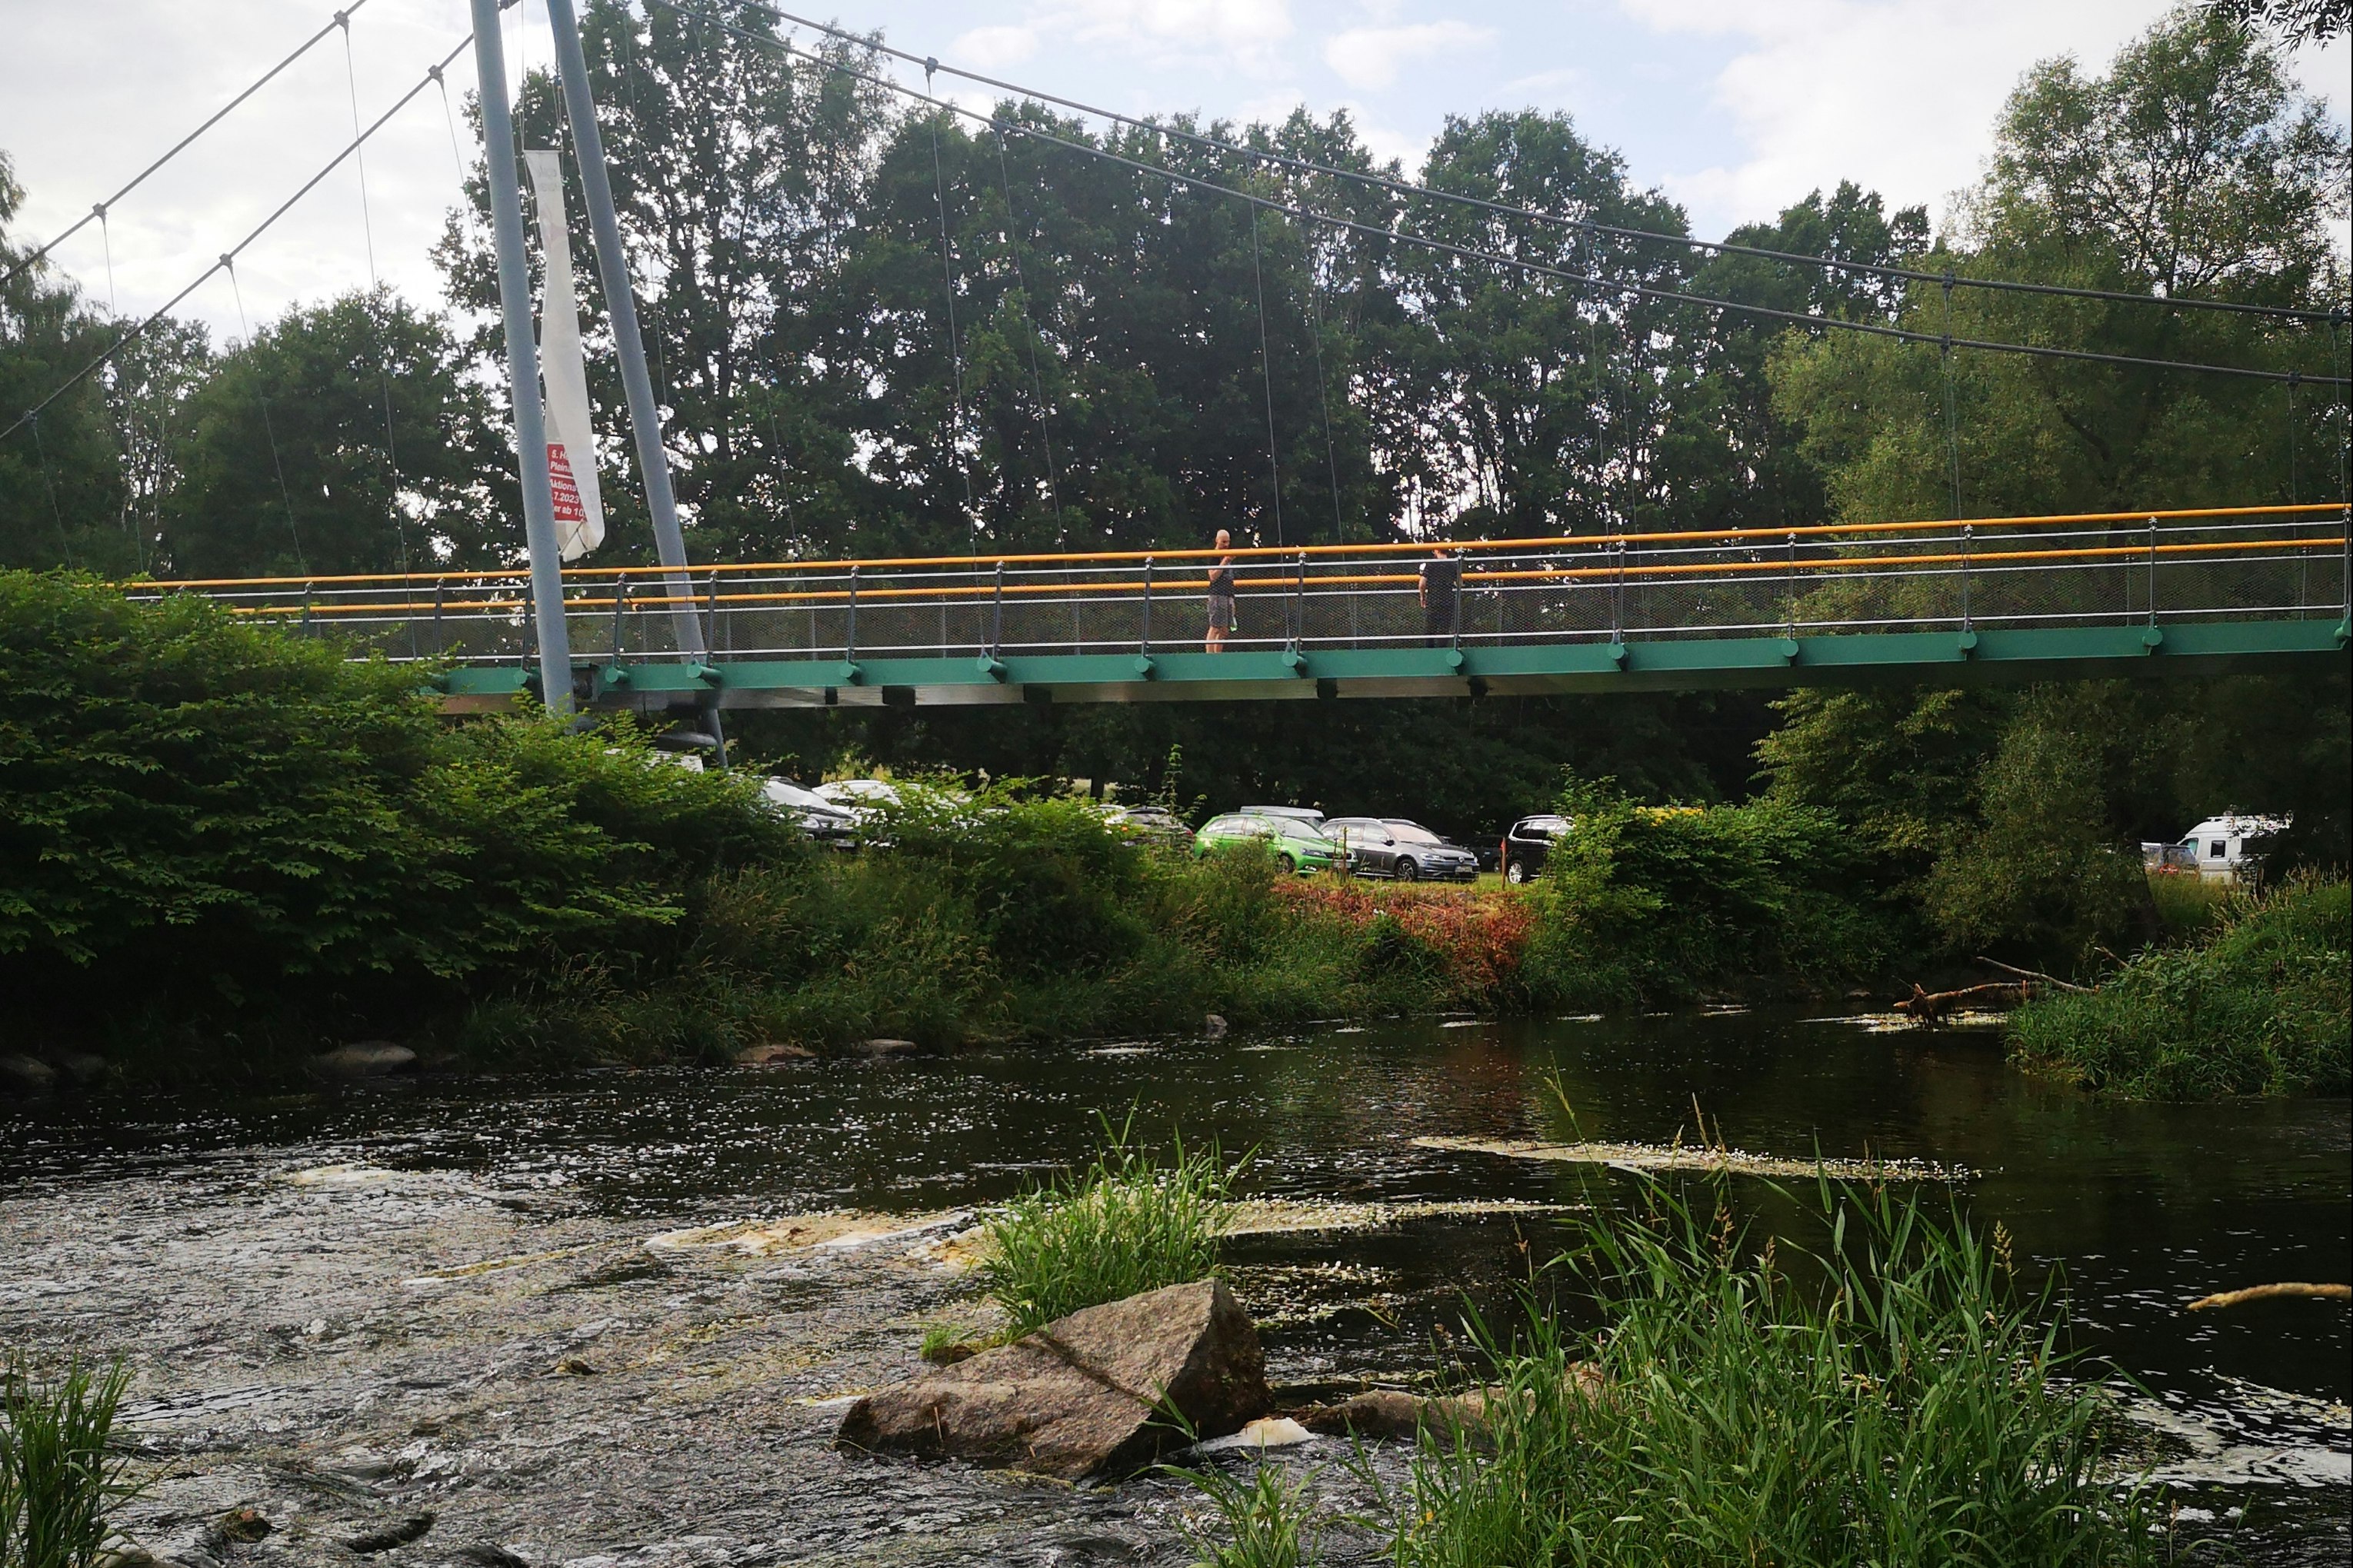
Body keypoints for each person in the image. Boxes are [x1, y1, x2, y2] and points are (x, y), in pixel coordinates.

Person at [1419, 548, 1462, 647]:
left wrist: (1422, 597)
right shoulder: (1453, 564)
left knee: (1430, 628)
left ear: (1437, 551)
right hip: (1448, 599)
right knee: (1444, 628)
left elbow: (1422, 584)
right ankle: (1442, 650)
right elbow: (1460, 582)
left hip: (1433, 599)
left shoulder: (1431, 564)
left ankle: (1429, 650)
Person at [1205, 528, 1237, 652]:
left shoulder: (1226, 555)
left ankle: (1218, 655)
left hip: (1227, 596)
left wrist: (1232, 598)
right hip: (1217, 595)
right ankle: (1210, 657)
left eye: (1228, 542)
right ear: (1217, 540)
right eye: (1223, 542)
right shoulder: (1214, 556)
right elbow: (1212, 576)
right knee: (1215, 627)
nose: (1226, 545)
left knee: (1224, 629)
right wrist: (1225, 561)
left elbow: (1230, 580)